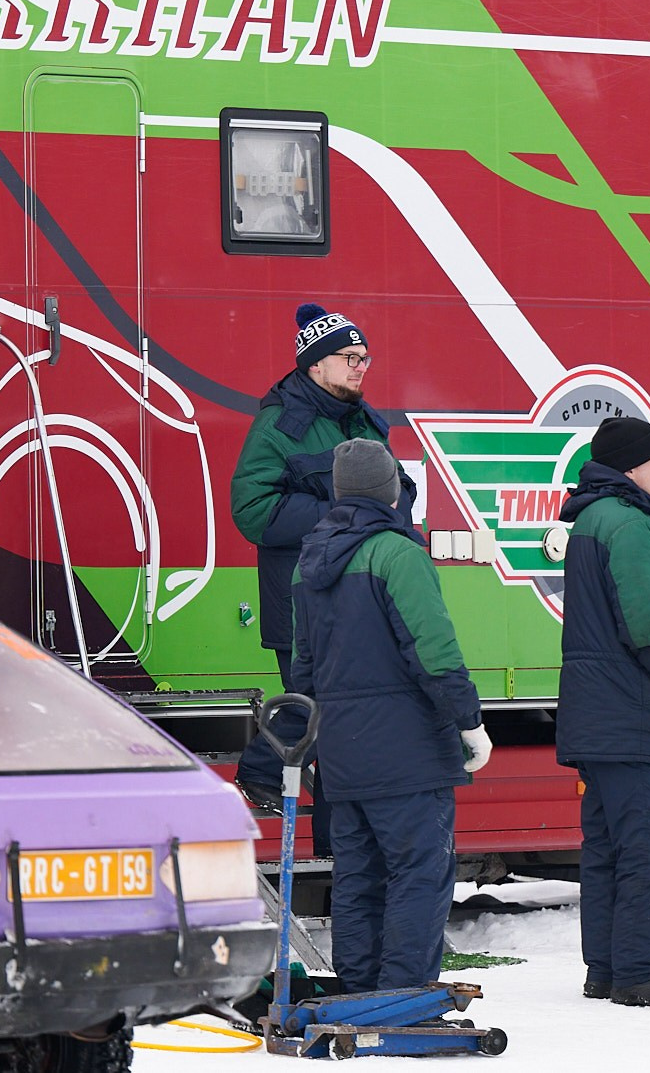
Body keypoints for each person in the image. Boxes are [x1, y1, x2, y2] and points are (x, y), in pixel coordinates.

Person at [290, 440, 489, 994]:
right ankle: (404, 995)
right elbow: (434, 653)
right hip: (408, 751)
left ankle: (359, 990)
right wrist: (468, 721)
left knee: (358, 874)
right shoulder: (398, 554)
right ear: (390, 490)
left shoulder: (308, 565)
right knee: (419, 872)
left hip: (343, 754)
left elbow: (303, 668)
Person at [229, 303, 411, 804]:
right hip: (303, 600)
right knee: (322, 710)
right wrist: (346, 510)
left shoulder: (363, 421)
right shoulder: (279, 426)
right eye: (349, 357)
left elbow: (398, 487)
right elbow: (253, 511)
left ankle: (299, 800)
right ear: (315, 364)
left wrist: (395, 514)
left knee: (335, 713)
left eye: (364, 358)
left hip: (362, 596)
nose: (360, 366)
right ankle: (268, 776)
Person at [555, 415, 650, 1008]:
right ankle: (642, 973)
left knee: (609, 851)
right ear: (633, 467)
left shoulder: (594, 518)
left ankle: (607, 969)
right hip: (638, 718)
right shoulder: (631, 524)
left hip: (601, 720)